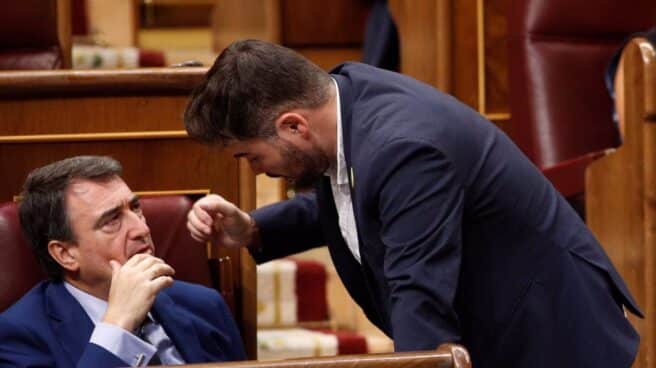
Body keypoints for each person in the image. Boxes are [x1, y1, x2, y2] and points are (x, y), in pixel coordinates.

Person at [183, 39, 641, 368]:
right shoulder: (342, 97)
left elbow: (418, 293)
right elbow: (357, 196)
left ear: (294, 126)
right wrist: (256, 229)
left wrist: (419, 364)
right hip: (504, 326)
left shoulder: (404, 148)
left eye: (251, 156)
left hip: (548, 338)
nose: (255, 172)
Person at [0, 156, 246, 368]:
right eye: (111, 220)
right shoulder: (18, 337)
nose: (141, 228)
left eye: (135, 208)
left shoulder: (204, 306)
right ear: (65, 254)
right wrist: (118, 326)